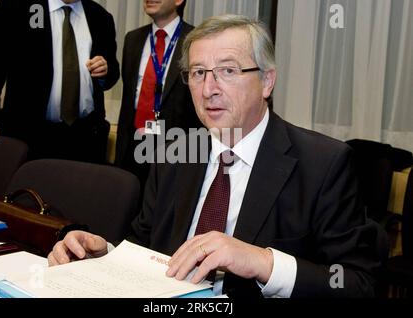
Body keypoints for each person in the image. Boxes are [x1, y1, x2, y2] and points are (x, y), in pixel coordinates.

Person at [48, 15, 386, 298]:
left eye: (228, 71)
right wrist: (104, 255)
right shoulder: (173, 154)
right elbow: (145, 247)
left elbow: (357, 282)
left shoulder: (323, 164)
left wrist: (263, 262)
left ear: (267, 81)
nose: (209, 89)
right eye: (198, 73)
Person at [0, 0, 120, 164]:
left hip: (85, 138)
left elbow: (111, 74)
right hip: (30, 138)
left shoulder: (101, 17)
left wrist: (105, 71)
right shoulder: (16, 7)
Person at [115, 0, 202, 188]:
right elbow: (128, 101)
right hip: (133, 148)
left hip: (175, 150)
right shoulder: (132, 40)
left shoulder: (197, 41)